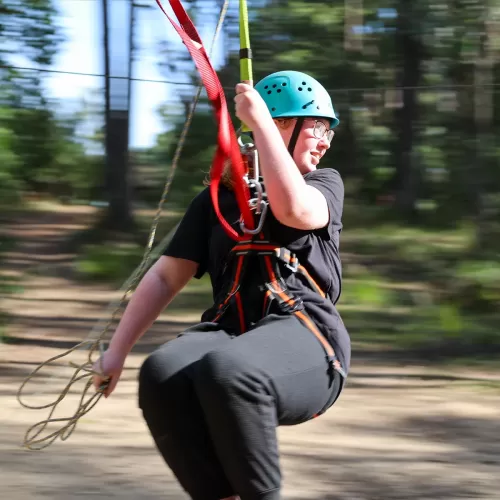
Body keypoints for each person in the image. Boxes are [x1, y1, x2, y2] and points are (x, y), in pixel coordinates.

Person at [93, 70, 351, 500]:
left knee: (229, 371)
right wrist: (116, 352)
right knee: (163, 374)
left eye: (328, 131)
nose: (325, 141)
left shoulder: (323, 184)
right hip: (230, 330)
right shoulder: (218, 198)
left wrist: (260, 124)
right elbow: (165, 276)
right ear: (282, 124)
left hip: (307, 336)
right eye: (317, 128)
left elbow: (293, 212)